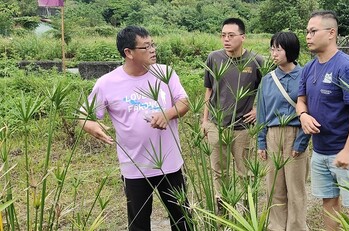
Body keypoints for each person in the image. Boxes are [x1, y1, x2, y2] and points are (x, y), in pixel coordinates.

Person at [79, 25, 191, 231]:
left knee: (182, 219)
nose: (152, 50)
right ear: (128, 53)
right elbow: (83, 116)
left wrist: (169, 113)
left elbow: (184, 102)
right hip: (135, 167)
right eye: (145, 47)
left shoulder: (165, 73)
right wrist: (91, 125)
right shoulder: (107, 83)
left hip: (170, 163)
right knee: (138, 223)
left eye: (152, 44)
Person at [296, 11, 349, 231]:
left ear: (331, 33)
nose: (308, 36)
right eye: (307, 31)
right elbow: (301, 101)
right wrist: (303, 115)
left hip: (347, 149)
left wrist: (348, 150)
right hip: (320, 149)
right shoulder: (309, 67)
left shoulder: (346, 66)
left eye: (313, 31)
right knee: (328, 201)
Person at [202, 18, 264, 204]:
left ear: (243, 37)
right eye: (223, 35)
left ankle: (247, 209)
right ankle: (223, 209)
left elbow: (268, 90)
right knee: (219, 172)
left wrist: (257, 110)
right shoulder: (214, 58)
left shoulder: (255, 61)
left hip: (242, 127)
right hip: (216, 124)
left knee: (245, 172)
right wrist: (204, 120)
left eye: (231, 35)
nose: (226, 39)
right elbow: (209, 90)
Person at [256, 32, 310, 231]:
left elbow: (309, 111)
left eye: (278, 49)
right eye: (272, 49)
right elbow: (261, 112)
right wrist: (261, 142)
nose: (274, 53)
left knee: (296, 189)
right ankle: (276, 227)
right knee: (274, 187)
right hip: (272, 136)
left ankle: (296, 227)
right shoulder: (267, 79)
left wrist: (301, 142)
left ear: (291, 51)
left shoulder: (305, 76)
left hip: (295, 134)